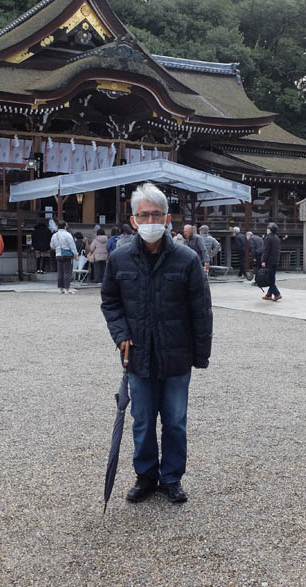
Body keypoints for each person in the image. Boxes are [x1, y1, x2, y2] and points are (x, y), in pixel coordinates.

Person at [101, 182, 212, 505]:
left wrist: (200, 355)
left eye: (156, 214)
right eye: (143, 215)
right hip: (138, 355)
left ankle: (173, 477)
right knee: (144, 420)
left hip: (177, 354)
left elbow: (201, 311)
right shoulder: (120, 258)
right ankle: (146, 475)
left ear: (168, 218)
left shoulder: (186, 259)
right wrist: (121, 334)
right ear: (133, 220)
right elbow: (110, 301)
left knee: (175, 422)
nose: (150, 220)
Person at [50, 220, 77, 294]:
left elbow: (52, 246)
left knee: (60, 272)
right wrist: (75, 254)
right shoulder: (68, 235)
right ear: (65, 226)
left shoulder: (54, 235)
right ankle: (66, 288)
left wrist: (58, 248)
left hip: (58, 254)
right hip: (67, 254)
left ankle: (60, 288)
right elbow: (72, 246)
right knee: (67, 272)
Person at [261, 222, 281, 301]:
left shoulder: (268, 238)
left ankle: (277, 294)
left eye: (268, 229)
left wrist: (263, 260)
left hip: (269, 260)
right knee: (272, 277)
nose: (267, 230)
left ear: (270, 230)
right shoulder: (277, 238)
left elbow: (266, 250)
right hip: (275, 260)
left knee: (269, 278)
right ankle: (269, 295)